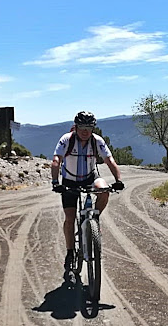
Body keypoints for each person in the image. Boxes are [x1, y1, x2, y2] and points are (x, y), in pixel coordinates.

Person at [51, 111, 124, 273]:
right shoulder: (66, 140)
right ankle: (70, 252)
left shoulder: (97, 141)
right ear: (76, 127)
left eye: (89, 127)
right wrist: (56, 182)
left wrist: (118, 180)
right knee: (70, 218)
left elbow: (109, 160)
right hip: (70, 181)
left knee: (104, 190)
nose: (85, 131)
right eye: (82, 127)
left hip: (90, 177)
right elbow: (56, 160)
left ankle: (94, 219)